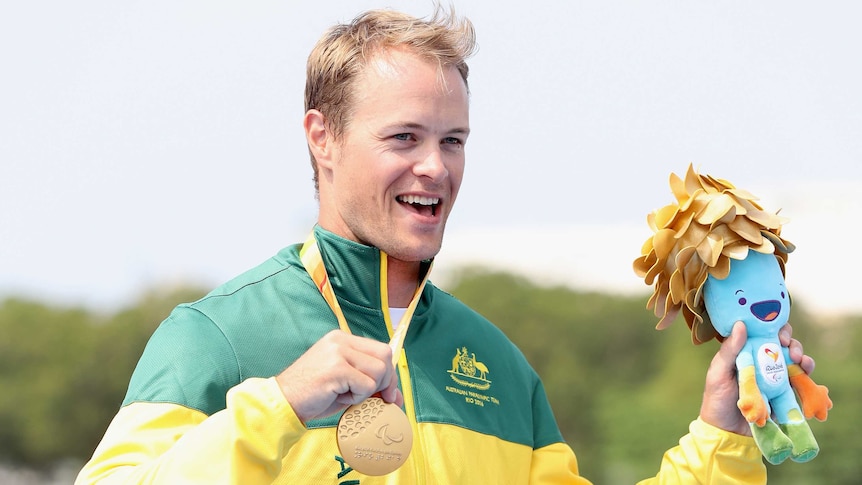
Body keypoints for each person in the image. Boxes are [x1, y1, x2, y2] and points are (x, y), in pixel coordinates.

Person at [76, 6, 816, 484]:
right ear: (322, 138)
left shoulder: (499, 366)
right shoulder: (215, 338)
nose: (436, 165)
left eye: (453, 140)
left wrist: (721, 430)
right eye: (405, 137)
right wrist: (277, 406)